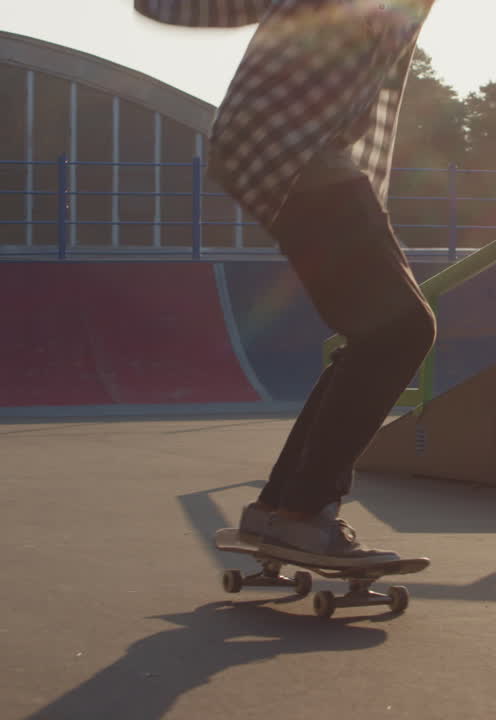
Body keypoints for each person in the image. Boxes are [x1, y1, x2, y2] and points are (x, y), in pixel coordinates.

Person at [135, 0, 438, 566]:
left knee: (378, 337)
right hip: (293, 151)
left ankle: (280, 510)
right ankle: (302, 514)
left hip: (297, 152)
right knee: (401, 332)